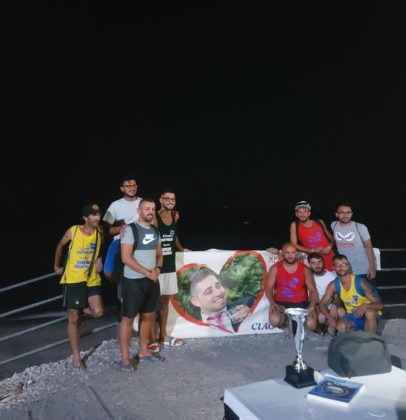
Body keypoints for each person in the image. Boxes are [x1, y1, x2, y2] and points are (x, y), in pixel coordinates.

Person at [54, 204, 104, 371]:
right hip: (73, 278)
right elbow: (60, 245)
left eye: (98, 215)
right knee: (73, 318)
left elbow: (98, 250)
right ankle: (76, 356)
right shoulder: (73, 231)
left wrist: (99, 260)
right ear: (85, 218)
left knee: (98, 311)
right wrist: (57, 266)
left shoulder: (99, 232)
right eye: (93, 215)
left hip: (91, 277)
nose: (97, 218)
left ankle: (79, 311)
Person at [119, 198, 164, 372]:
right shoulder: (130, 230)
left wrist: (157, 269)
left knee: (148, 316)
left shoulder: (155, 230)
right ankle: (125, 359)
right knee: (128, 318)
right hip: (133, 281)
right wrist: (147, 272)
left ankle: (143, 351)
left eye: (152, 209)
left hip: (152, 279)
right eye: (147, 208)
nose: (150, 211)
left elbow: (159, 254)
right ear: (139, 211)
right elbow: (126, 258)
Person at [149, 188, 189, 350]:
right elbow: (150, 239)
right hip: (156, 266)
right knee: (152, 304)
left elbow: (173, 235)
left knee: (165, 301)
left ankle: (163, 336)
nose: (171, 201)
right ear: (160, 200)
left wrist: (182, 249)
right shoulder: (154, 217)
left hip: (170, 265)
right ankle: (151, 339)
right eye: (167, 199)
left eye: (173, 199)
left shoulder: (174, 216)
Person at [319, 254, 382, 334]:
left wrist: (365, 306)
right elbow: (322, 304)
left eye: (344, 264)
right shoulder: (334, 285)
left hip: (370, 315)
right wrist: (330, 318)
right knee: (341, 326)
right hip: (354, 315)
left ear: (348, 266)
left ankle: (370, 337)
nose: (341, 267)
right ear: (333, 268)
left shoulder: (360, 282)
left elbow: (379, 305)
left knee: (369, 313)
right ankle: (357, 336)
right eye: (337, 265)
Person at [265, 242, 318, 331]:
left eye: (293, 252)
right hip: (281, 303)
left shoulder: (305, 269)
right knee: (274, 320)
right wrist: (272, 302)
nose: (290, 256)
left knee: (311, 324)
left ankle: (298, 326)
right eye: (287, 253)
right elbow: (268, 287)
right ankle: (286, 323)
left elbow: (312, 289)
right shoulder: (275, 268)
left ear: (296, 253)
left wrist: (312, 306)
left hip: (301, 304)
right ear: (282, 253)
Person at [189, 268, 254, 333]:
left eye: (218, 286)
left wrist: (252, 314)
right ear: (196, 302)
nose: (218, 293)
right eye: (209, 292)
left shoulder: (247, 304)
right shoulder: (192, 329)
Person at [102, 175, 142, 280]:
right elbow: (105, 229)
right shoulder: (114, 205)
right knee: (108, 272)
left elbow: (154, 220)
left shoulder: (143, 202)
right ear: (122, 189)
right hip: (120, 240)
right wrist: (120, 229)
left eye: (133, 185)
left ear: (137, 187)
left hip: (140, 240)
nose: (131, 188)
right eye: (128, 186)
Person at [331, 203, 377, 282]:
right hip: (344, 269)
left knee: (369, 289)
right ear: (337, 214)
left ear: (351, 214)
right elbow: (332, 239)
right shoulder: (334, 225)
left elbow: (369, 247)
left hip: (363, 269)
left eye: (348, 212)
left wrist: (372, 267)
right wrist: (329, 245)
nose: (345, 215)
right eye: (342, 212)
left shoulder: (360, 227)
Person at [290, 200, 335, 271]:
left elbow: (331, 238)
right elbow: (294, 244)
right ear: (296, 214)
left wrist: (329, 247)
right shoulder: (295, 225)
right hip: (314, 261)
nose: (302, 214)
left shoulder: (319, 222)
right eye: (299, 212)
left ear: (309, 213)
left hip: (330, 257)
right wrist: (311, 250)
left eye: (305, 211)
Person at [307, 252, 345, 334]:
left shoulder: (332, 276)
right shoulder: (308, 277)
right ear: (309, 264)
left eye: (319, 262)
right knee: (320, 317)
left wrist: (334, 305)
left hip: (330, 304)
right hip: (317, 305)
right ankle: (323, 328)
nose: (317, 265)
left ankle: (335, 328)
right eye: (313, 263)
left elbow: (338, 296)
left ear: (323, 262)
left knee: (341, 311)